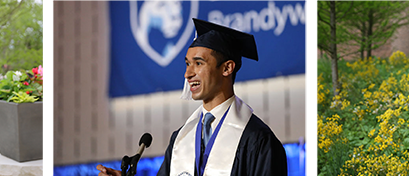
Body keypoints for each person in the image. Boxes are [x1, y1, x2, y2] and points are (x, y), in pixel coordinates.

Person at [97, 18, 287, 176]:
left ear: (227, 68)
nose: (188, 74)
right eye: (187, 64)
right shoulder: (181, 138)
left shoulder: (258, 140)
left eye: (198, 63)